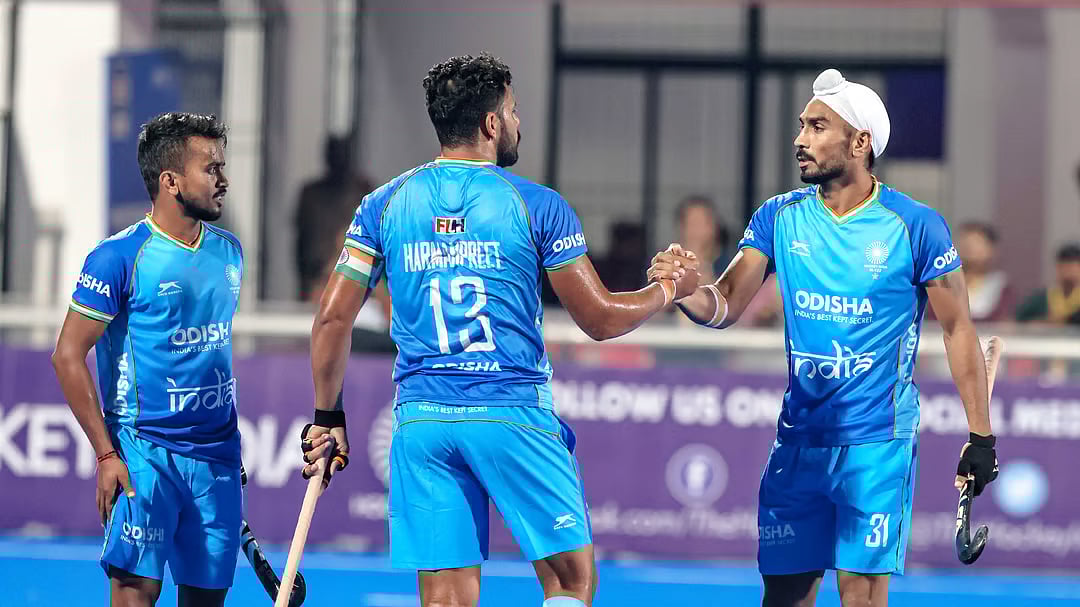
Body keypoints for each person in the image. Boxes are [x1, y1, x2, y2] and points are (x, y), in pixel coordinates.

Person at [299, 53, 697, 607]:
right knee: (569, 581)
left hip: (421, 422)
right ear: (491, 124)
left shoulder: (382, 205)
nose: (516, 122)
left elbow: (331, 318)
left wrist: (327, 416)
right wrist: (668, 291)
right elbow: (600, 318)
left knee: (445, 598)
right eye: (512, 110)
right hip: (510, 411)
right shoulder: (536, 205)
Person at [649, 69, 998, 607]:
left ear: (860, 143)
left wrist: (981, 438)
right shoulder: (778, 216)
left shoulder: (916, 226)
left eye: (816, 127)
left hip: (877, 444)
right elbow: (725, 303)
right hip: (798, 441)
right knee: (785, 596)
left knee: (860, 596)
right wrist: (681, 290)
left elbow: (957, 328)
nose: (799, 140)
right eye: (801, 126)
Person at [51, 113, 243, 607]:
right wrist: (106, 455)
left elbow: (212, 354)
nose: (223, 179)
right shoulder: (118, 257)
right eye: (211, 168)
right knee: (136, 594)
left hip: (218, 457)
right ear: (171, 181)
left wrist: (225, 455)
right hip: (144, 454)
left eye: (223, 166)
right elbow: (68, 356)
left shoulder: (230, 253)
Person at [295, 135, 372, 301]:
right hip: (318, 278)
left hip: (355, 279)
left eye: (342, 155)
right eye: (334, 155)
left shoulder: (363, 192)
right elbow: (301, 244)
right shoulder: (311, 195)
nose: (338, 161)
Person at [1015, 242, 1080, 326]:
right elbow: (1018, 322)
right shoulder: (1040, 299)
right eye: (1063, 268)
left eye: (1072, 269)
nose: (1067, 274)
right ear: (1057, 268)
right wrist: (1043, 323)